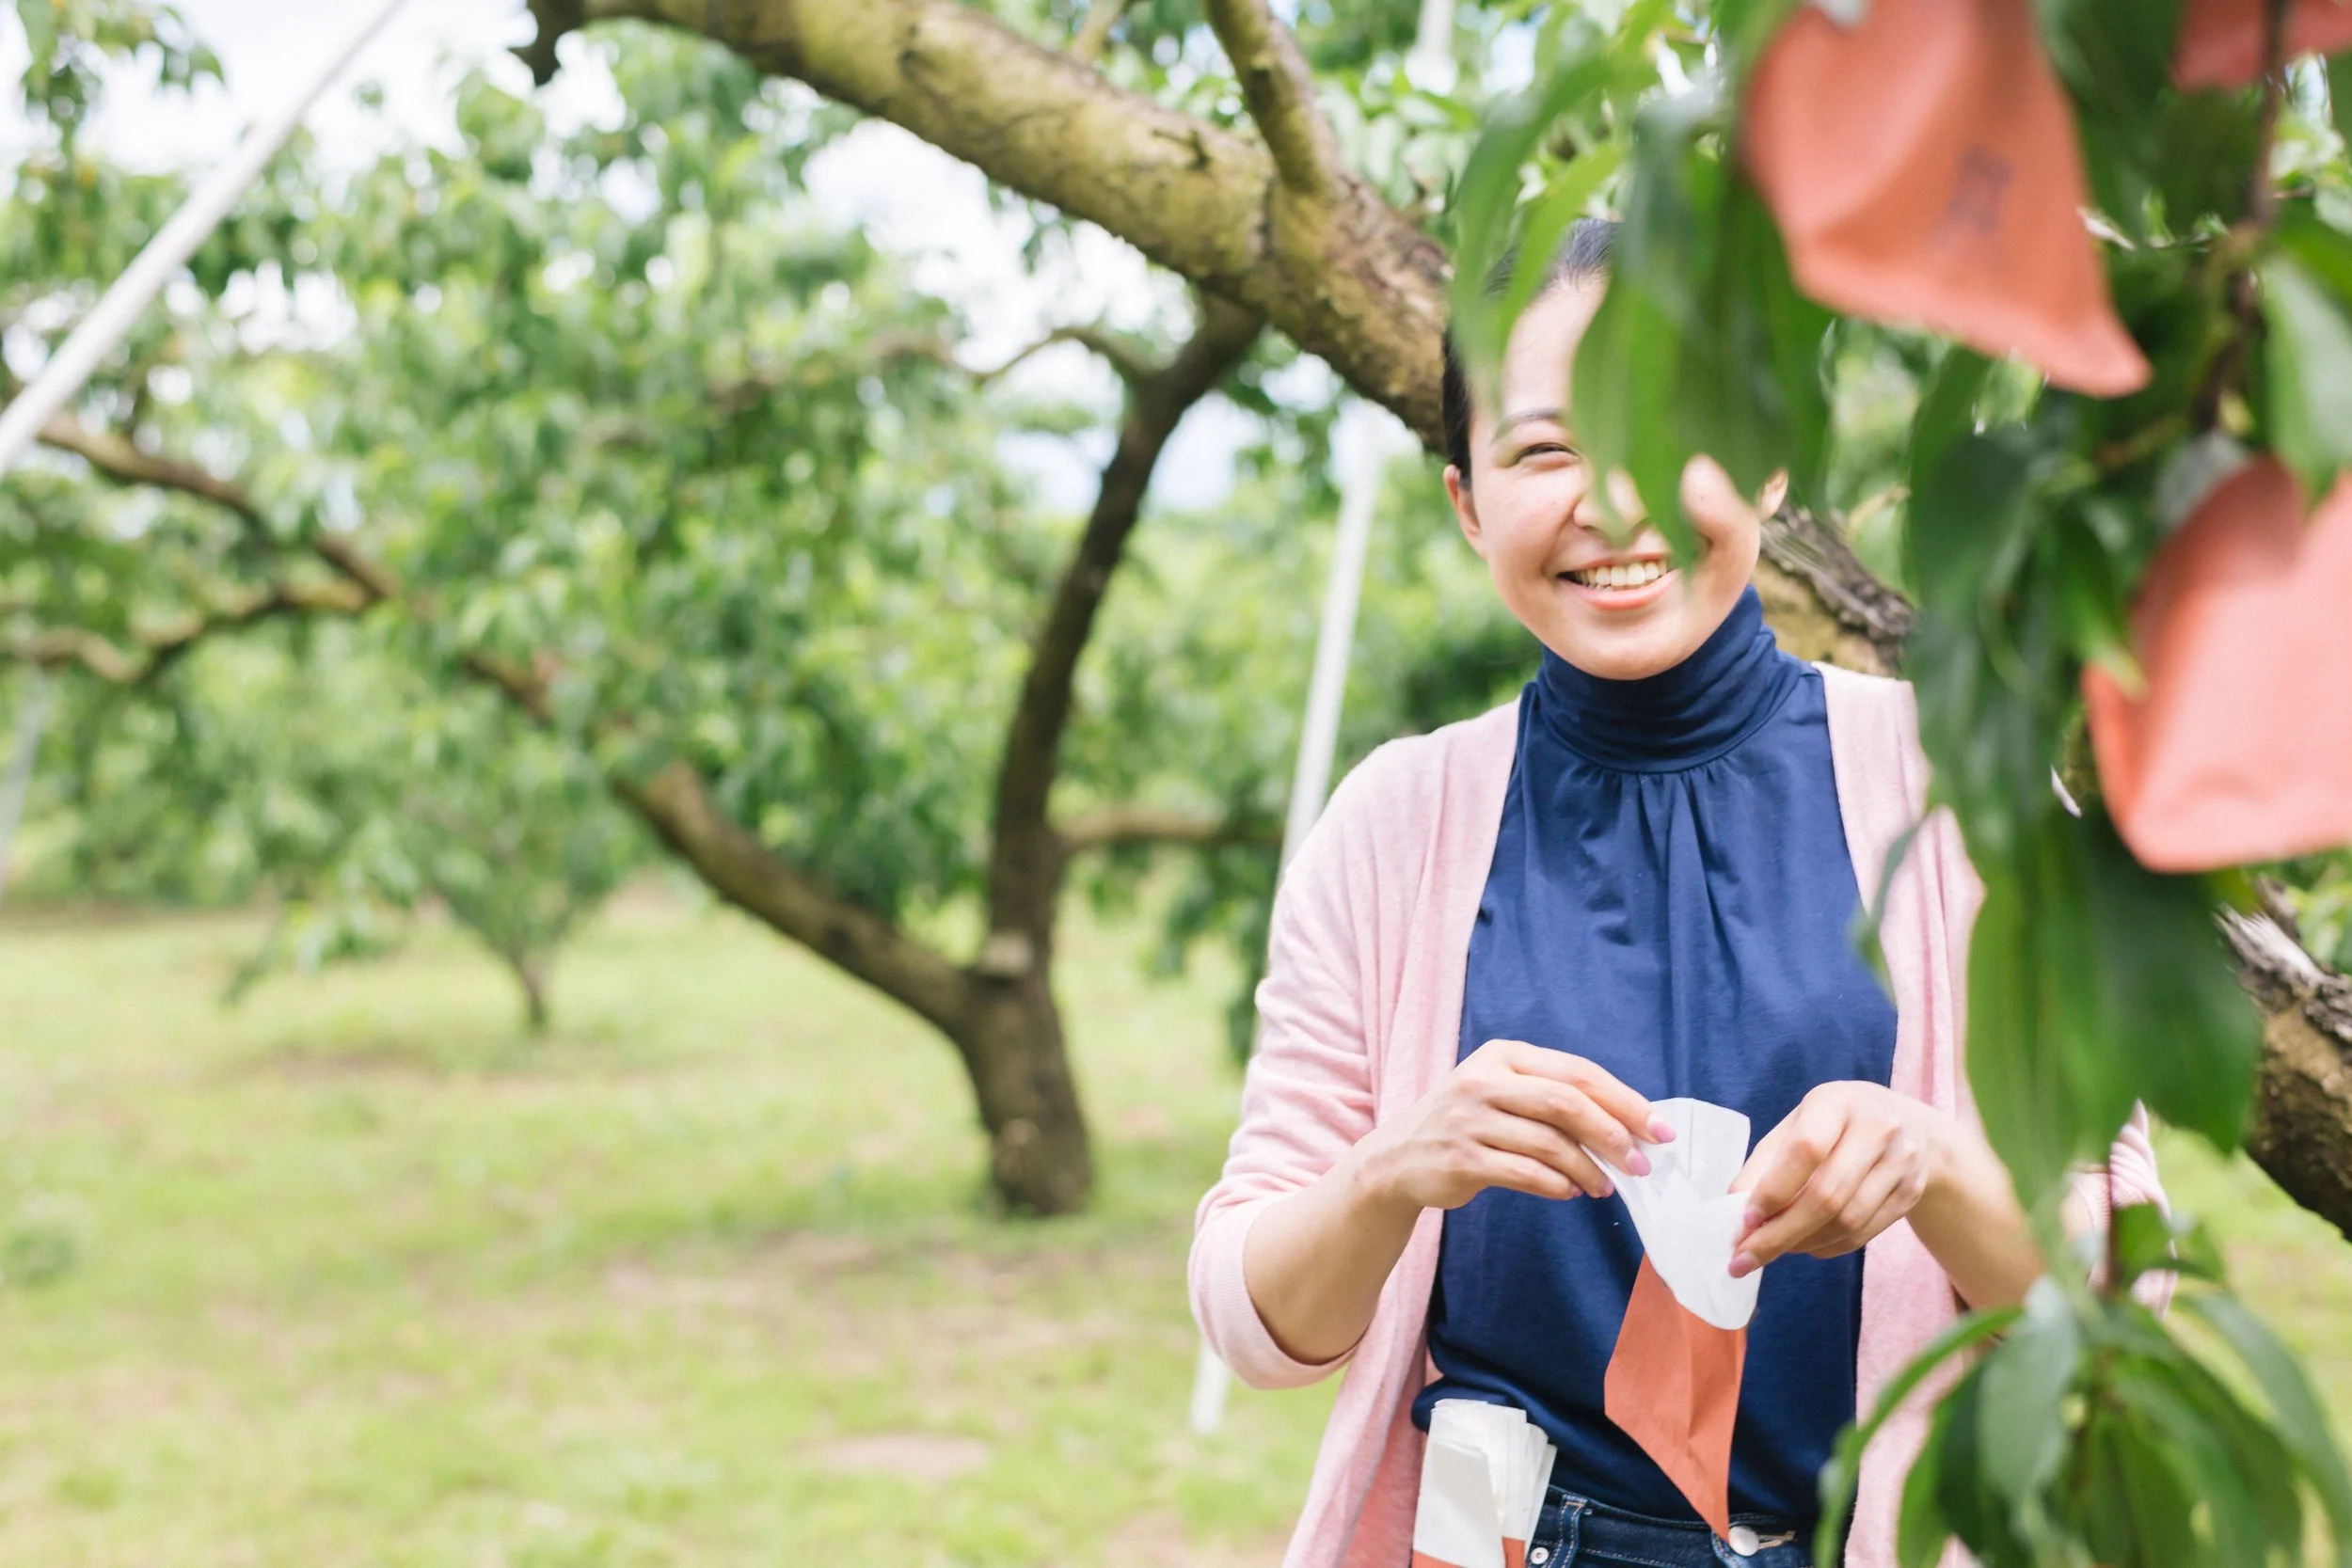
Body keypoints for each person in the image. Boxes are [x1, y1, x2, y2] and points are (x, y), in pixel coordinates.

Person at [1187, 220, 2165, 1568]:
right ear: (1468, 500)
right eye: (1542, 449)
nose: (1612, 497)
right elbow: (1252, 1319)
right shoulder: (1395, 826)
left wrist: (1930, 1163)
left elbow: (2125, 1288)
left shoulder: (1957, 792)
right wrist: (1392, 1168)